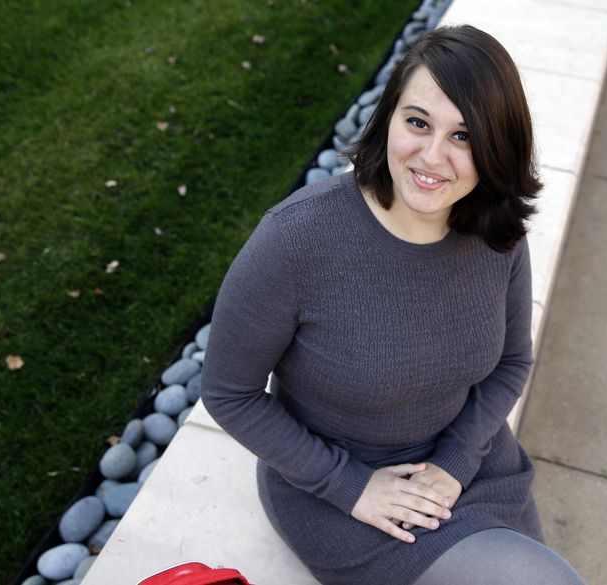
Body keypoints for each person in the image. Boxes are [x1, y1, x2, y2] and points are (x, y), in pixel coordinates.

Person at [201, 25, 587, 585]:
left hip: (469, 468)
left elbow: (511, 363)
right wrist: (350, 486)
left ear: (496, 146)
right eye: (418, 123)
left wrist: (454, 465)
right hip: (341, 495)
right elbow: (229, 393)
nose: (432, 156)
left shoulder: (494, 231)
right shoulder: (297, 238)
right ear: (388, 117)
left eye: (464, 136)